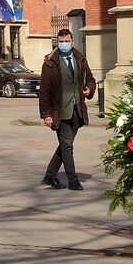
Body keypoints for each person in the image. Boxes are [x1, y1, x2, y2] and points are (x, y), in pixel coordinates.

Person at [38, 29, 96, 191]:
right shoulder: (50, 63)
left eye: (66, 41)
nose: (64, 44)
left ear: (72, 41)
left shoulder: (80, 59)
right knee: (67, 145)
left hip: (77, 109)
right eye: (61, 41)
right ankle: (72, 180)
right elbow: (44, 91)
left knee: (65, 145)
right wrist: (47, 114)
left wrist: (89, 89)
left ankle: (50, 176)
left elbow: (90, 79)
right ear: (57, 42)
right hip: (59, 110)